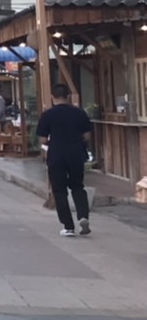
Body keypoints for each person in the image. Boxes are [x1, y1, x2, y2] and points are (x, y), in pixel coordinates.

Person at [37, 82, 94, 237]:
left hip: (56, 156)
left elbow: (42, 139)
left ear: (52, 97)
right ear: (68, 96)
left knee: (59, 191)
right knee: (77, 187)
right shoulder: (79, 113)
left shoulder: (47, 115)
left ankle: (68, 226)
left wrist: (52, 142)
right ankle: (83, 216)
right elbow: (87, 135)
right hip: (76, 155)